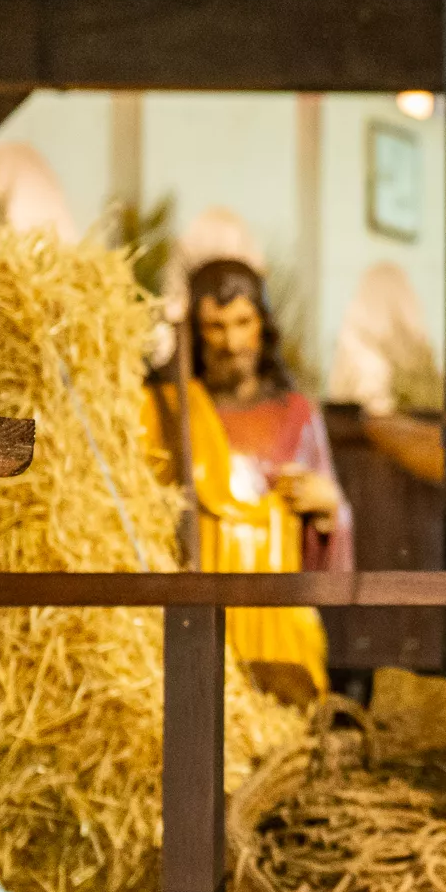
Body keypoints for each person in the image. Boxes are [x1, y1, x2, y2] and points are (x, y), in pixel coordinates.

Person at [152, 258, 351, 703]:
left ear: (263, 324)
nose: (232, 342)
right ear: (196, 334)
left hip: (277, 616)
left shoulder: (296, 415)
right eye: (215, 327)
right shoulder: (171, 413)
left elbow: (337, 530)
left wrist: (328, 508)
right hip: (201, 616)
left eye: (243, 322)